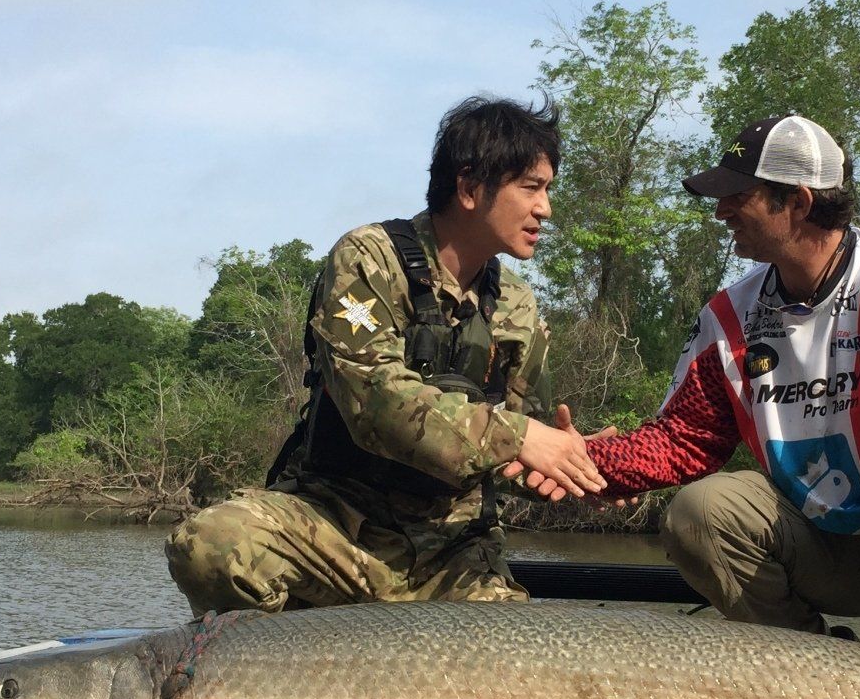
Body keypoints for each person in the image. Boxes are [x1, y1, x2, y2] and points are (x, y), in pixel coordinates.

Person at [166, 96, 604, 615]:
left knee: (513, 671)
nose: (545, 208)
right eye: (531, 187)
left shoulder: (518, 306)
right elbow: (374, 402)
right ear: (468, 187)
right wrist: (523, 437)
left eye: (547, 189)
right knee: (210, 546)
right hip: (336, 530)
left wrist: (574, 468)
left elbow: (517, 454)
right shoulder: (369, 258)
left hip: (453, 553)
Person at [583, 114, 860, 639]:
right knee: (699, 510)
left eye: (739, 195)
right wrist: (575, 460)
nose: (720, 211)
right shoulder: (729, 317)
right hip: (808, 555)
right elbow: (679, 441)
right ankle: (810, 670)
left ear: (799, 202)